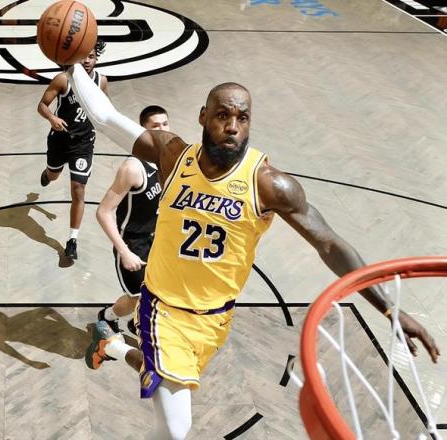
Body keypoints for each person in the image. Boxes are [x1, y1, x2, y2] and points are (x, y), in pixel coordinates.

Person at [66, 65, 440, 440]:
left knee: (165, 382)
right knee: (175, 429)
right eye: (223, 116)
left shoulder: (269, 184)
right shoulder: (173, 155)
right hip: (162, 308)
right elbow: (105, 117)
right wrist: (73, 64)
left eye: (242, 118)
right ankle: (118, 345)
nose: (232, 127)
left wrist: (389, 307)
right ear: (203, 116)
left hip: (215, 318)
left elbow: (328, 243)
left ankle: (112, 346)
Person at [96, 106, 170, 335]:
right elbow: (103, 212)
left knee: (160, 292)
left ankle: (136, 322)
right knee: (135, 298)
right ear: (143, 131)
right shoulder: (132, 168)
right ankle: (107, 316)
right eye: (155, 126)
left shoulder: (167, 160)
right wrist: (124, 252)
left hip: (157, 240)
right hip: (132, 243)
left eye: (165, 123)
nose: (162, 129)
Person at [37, 40, 108, 260]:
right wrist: (52, 118)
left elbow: (104, 108)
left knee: (78, 189)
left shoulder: (101, 81)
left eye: (91, 56)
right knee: (53, 175)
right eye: (83, 56)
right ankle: (48, 174)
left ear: (97, 58)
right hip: (60, 140)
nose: (87, 61)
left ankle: (72, 240)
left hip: (83, 144)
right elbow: (42, 105)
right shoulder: (63, 79)